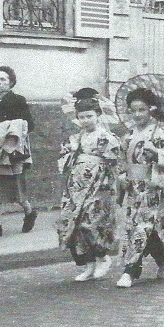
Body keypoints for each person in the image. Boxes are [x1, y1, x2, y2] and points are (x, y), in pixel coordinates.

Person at [116, 88, 164, 288]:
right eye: (133, 111)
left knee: (142, 226)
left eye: (142, 110)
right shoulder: (128, 136)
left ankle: (130, 271)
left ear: (151, 110)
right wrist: (121, 177)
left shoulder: (159, 134)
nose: (137, 115)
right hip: (133, 189)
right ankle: (162, 260)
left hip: (150, 188)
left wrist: (158, 154)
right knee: (143, 228)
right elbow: (120, 161)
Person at [57, 93, 120, 281]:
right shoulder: (76, 137)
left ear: (98, 115)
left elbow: (114, 160)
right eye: (82, 116)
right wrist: (70, 153)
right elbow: (65, 158)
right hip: (77, 183)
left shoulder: (106, 137)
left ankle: (103, 257)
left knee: (91, 221)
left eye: (89, 116)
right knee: (73, 222)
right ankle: (88, 264)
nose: (85, 120)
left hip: (98, 181)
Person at [0, 66, 38, 238]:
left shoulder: (18, 100)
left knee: (16, 185)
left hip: (10, 150)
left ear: (11, 82)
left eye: (3, 79)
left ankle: (29, 211)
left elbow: (29, 124)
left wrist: (11, 129)